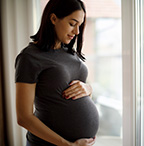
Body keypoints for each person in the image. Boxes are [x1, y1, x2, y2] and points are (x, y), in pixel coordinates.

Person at [15, 0, 99, 145]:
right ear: (53, 19)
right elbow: (24, 117)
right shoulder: (29, 57)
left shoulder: (70, 53)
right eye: (72, 24)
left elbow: (77, 90)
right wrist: (67, 145)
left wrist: (88, 89)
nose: (77, 32)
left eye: (80, 25)